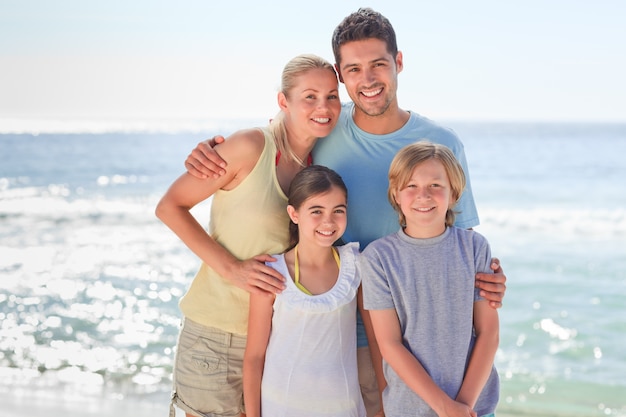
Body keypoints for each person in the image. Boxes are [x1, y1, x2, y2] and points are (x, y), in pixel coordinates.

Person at [183, 8, 507, 417]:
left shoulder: (440, 143)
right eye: (353, 69)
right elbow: (275, 135)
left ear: (399, 63)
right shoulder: (326, 127)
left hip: (428, 339)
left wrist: (491, 281)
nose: (367, 79)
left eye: (378, 65)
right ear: (340, 74)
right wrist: (210, 150)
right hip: (341, 337)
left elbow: (461, 246)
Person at [155, 54, 341, 417]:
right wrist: (233, 269)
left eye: (332, 96)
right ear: (283, 101)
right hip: (215, 338)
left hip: (277, 345)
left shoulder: (316, 168)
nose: (323, 106)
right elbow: (170, 207)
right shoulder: (250, 146)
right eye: (310, 96)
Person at [360, 141, 500, 417]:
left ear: (454, 193)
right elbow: (390, 343)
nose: (423, 195)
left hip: (475, 408)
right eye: (411, 186)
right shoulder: (377, 258)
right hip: (411, 410)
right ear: (396, 194)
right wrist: (445, 407)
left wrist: (463, 406)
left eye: (435, 186)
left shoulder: (475, 248)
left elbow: (488, 333)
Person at [244, 165, 366, 417]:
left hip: (343, 406)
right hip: (281, 406)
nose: (328, 221)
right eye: (316, 211)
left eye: (338, 211)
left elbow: (377, 339)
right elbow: (254, 358)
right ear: (294, 213)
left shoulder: (357, 265)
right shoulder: (271, 272)